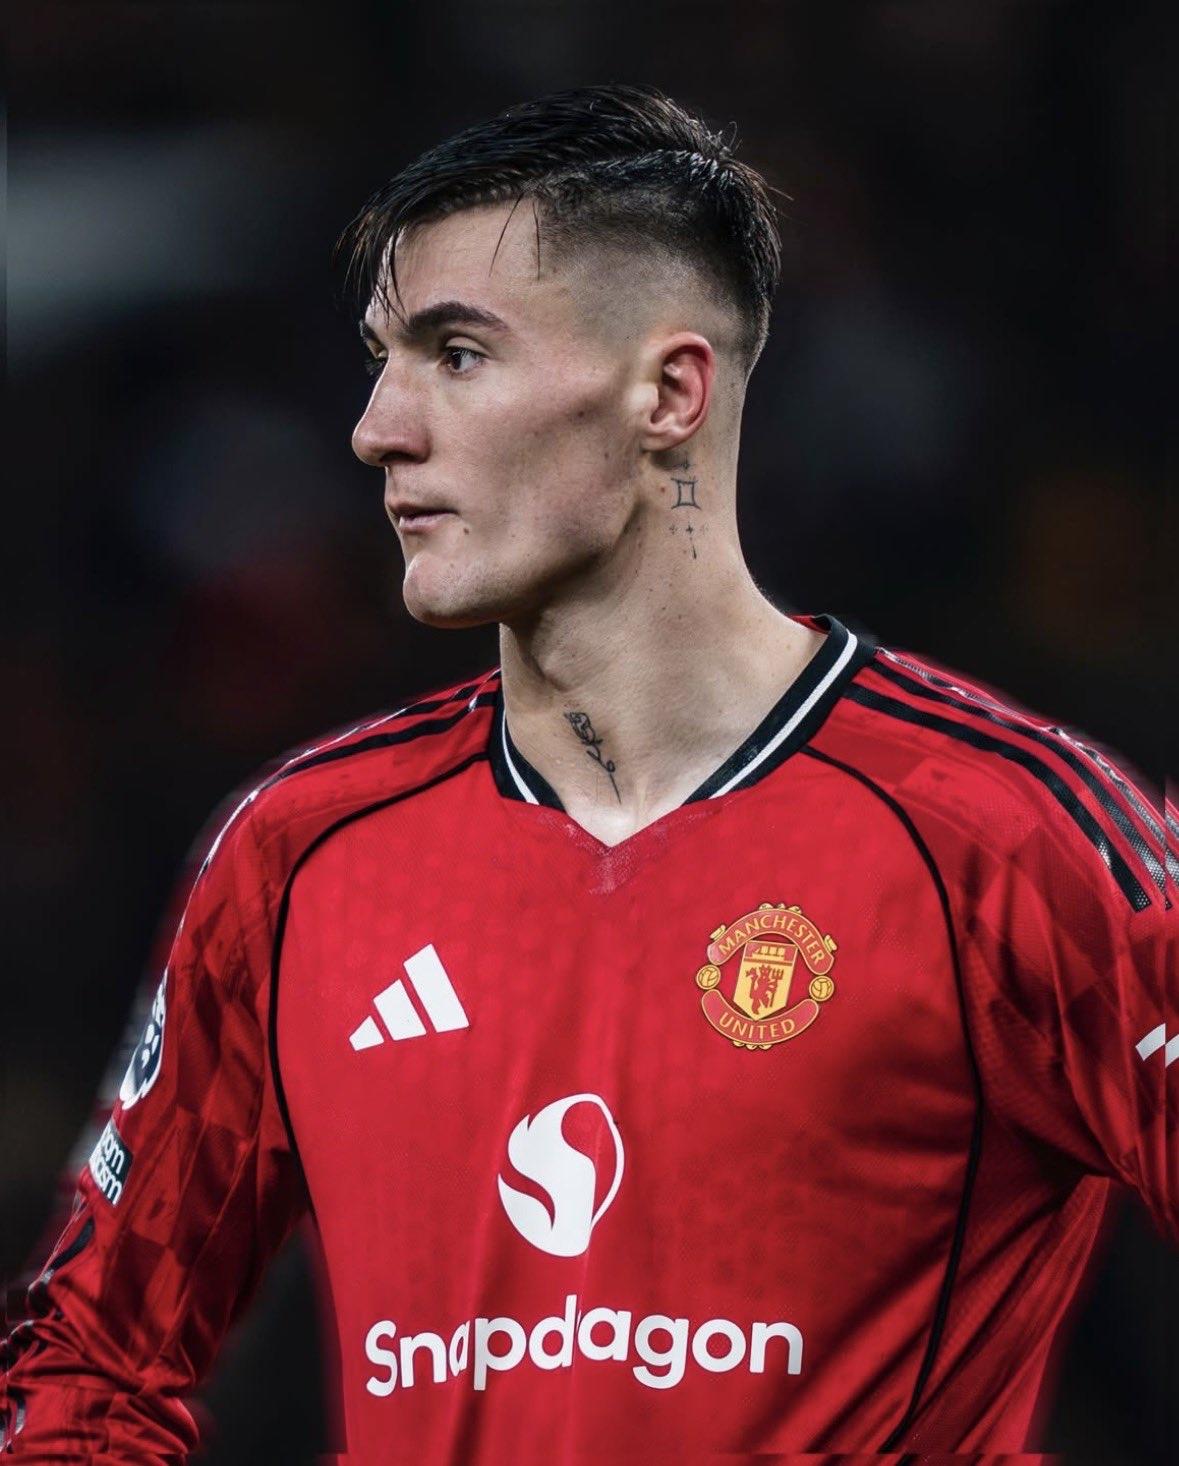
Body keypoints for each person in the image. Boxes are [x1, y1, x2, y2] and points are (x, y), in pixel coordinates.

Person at [1, 83, 1173, 1464]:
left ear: (668, 392)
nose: (377, 427)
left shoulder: (1001, 835)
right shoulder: (300, 854)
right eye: (381, 358)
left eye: (456, 354)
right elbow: (88, 1358)